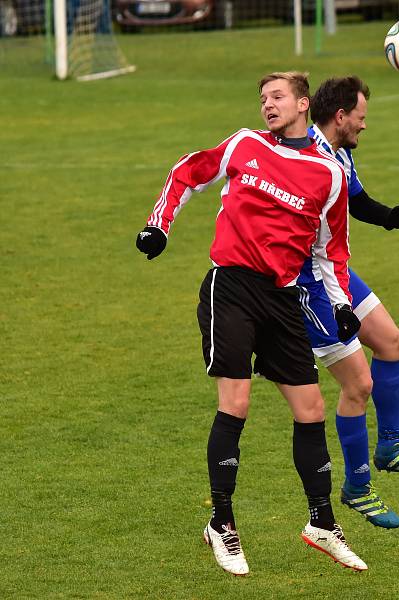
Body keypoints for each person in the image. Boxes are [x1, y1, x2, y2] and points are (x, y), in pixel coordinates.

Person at [135, 72, 367, 575]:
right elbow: (186, 172)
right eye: (263, 99)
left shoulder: (328, 175)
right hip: (232, 288)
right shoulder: (243, 145)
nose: (267, 105)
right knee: (235, 403)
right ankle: (221, 523)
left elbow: (331, 253)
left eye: (277, 97)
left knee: (311, 408)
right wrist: (159, 226)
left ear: (304, 104)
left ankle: (322, 523)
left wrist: (343, 304)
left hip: (283, 297)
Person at [298, 76, 399, 530]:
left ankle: (389, 448)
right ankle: (357, 486)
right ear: (340, 116)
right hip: (310, 282)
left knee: (392, 343)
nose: (364, 126)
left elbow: (355, 201)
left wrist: (391, 219)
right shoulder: (305, 155)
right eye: (360, 117)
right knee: (358, 386)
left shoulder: (339, 153)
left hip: (337, 271)